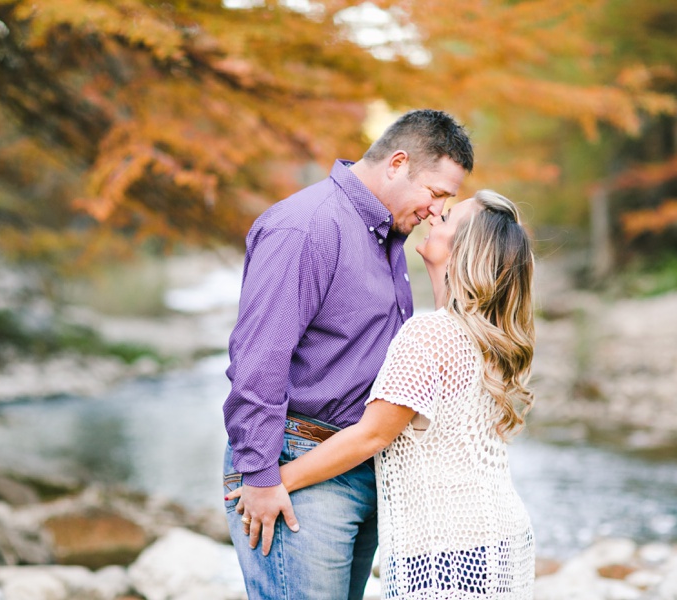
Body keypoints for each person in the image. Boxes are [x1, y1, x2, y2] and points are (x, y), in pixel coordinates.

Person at [230, 190, 537, 599]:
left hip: (447, 553)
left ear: (465, 250)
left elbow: (373, 435)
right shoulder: (485, 337)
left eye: (445, 219)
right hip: (499, 536)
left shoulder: (431, 334)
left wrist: (268, 483)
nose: (433, 218)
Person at [222, 109, 475, 599]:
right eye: (437, 193)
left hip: (359, 462)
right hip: (296, 463)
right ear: (398, 163)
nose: (437, 211)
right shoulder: (306, 227)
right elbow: (259, 360)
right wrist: (260, 476)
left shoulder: (389, 237)